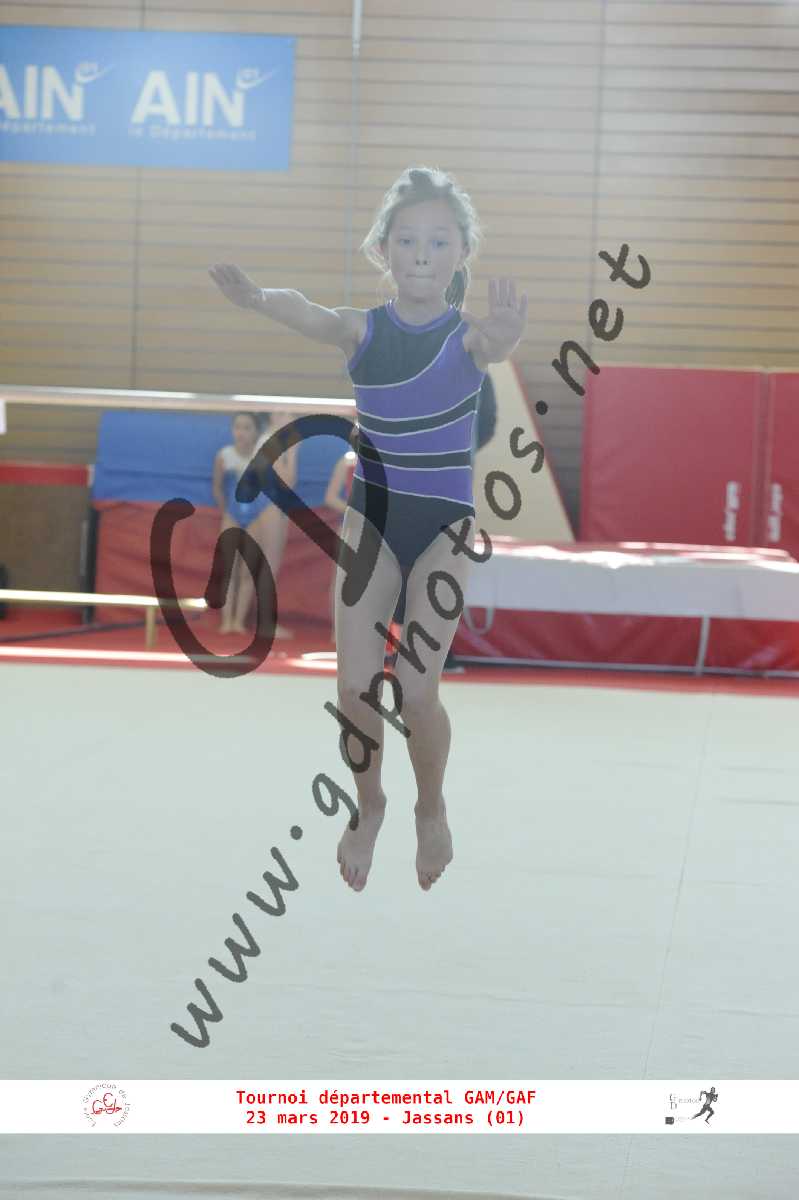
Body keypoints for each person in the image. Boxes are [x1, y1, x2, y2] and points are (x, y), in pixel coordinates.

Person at [208, 165, 527, 892]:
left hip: (443, 526)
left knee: (415, 690)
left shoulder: (467, 339)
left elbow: (495, 347)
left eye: (438, 241)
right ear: (383, 250)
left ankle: (430, 805)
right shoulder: (363, 329)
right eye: (407, 240)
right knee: (355, 685)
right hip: (371, 521)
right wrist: (258, 300)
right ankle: (370, 800)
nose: (421, 254)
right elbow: (310, 313)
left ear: (460, 254)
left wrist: (508, 336)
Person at [211, 410, 297, 638]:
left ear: (256, 431)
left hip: (258, 511)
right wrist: (225, 510)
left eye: (247, 428)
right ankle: (227, 621)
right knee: (229, 569)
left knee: (247, 571)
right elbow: (217, 487)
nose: (241, 433)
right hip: (234, 511)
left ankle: (238, 621)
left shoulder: (263, 448)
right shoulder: (225, 455)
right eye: (237, 427)